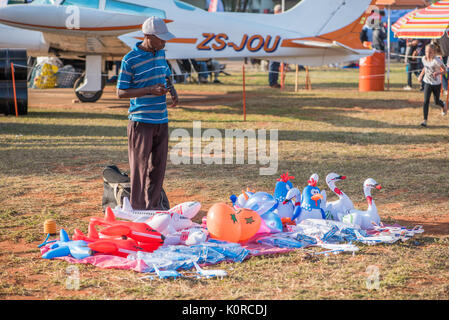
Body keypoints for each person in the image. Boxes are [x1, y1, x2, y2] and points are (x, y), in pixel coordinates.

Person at [116, 16, 178, 210]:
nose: (164, 42)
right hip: (141, 122)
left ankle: (153, 208)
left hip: (161, 119)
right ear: (147, 36)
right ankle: (137, 209)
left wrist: (173, 91)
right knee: (140, 169)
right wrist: (150, 90)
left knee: (158, 168)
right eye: (161, 38)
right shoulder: (130, 59)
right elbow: (121, 92)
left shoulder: (160, 53)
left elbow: (166, 73)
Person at [418, 43, 448, 127]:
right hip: (427, 82)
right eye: (426, 51)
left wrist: (438, 72)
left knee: (436, 101)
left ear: (434, 53)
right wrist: (421, 75)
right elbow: (425, 67)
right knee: (425, 101)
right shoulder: (423, 58)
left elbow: (445, 71)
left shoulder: (437, 60)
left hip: (436, 83)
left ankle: (443, 104)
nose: (428, 54)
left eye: (430, 52)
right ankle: (425, 120)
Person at [268, 4, 282, 88]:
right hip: (273, 44)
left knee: (275, 64)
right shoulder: (275, 19)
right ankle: (272, 82)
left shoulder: (276, 19)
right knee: (273, 64)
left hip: (276, 43)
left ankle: (274, 82)